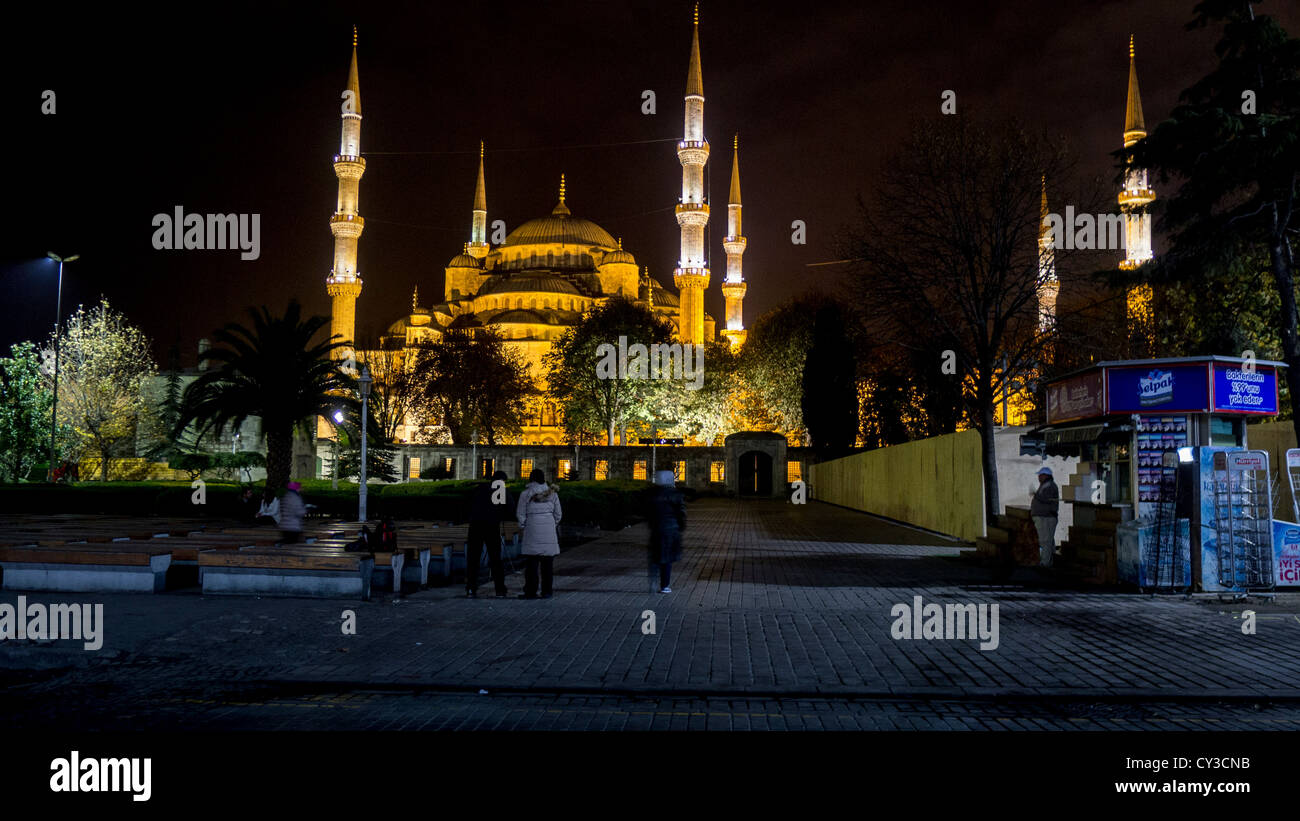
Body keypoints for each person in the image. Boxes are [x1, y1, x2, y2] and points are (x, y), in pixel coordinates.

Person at [516, 468, 561, 599]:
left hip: (532, 529)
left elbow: (521, 513)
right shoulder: (552, 494)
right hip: (549, 530)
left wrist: (523, 525)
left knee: (531, 564)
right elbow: (558, 514)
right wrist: (552, 524)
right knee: (547, 565)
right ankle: (547, 591)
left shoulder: (526, 494)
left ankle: (530, 591)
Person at [467, 470, 511, 598]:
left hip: (475, 526)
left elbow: (469, 505)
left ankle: (471, 588)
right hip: (491, 526)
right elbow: (509, 508)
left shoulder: (479, 489)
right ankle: (500, 589)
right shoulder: (500, 490)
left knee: (473, 558)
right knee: (496, 559)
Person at [647, 470, 686, 593]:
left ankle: (653, 580)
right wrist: (681, 526)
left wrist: (651, 524)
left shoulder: (652, 494)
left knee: (655, 555)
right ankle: (665, 585)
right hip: (671, 529)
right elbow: (681, 512)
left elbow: (647, 511)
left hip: (657, 528)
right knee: (667, 558)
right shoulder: (676, 494)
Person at [1030, 466, 1059, 567]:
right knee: (1048, 541)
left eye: (1040, 475)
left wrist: (1035, 495)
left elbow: (1046, 499)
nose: (1038, 477)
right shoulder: (1045, 485)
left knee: (1045, 541)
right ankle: (1051, 562)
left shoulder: (1049, 486)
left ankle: (1045, 563)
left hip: (1046, 518)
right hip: (1045, 517)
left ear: (1045, 475)